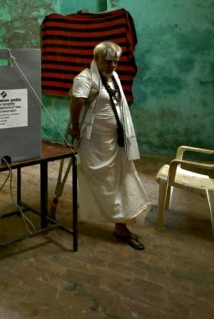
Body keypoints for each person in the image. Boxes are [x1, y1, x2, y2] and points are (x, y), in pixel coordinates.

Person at [68, 41, 150, 250]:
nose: (113, 65)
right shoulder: (85, 78)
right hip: (94, 144)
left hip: (117, 142)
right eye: (109, 61)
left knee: (121, 179)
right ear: (96, 58)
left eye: (116, 62)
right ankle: (107, 216)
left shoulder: (113, 77)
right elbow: (77, 101)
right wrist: (75, 128)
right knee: (100, 182)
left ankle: (120, 224)